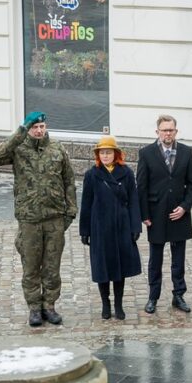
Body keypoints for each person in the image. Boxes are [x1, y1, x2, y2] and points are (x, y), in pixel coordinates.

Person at [0, 111, 77, 327]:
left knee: (52, 266)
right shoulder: (19, 148)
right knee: (30, 266)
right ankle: (34, 308)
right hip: (29, 219)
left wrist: (71, 211)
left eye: (42, 127)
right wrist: (20, 132)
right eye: (34, 127)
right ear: (28, 128)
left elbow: (69, 180)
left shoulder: (57, 149)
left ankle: (49, 306)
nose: (39, 130)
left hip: (54, 217)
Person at [137, 114, 192, 314]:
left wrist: (185, 207)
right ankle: (153, 296)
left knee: (178, 258)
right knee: (156, 258)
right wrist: (144, 214)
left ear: (176, 131)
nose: (168, 133)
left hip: (179, 213)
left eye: (171, 130)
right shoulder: (146, 153)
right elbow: (141, 186)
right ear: (157, 132)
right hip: (156, 213)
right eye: (164, 130)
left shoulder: (186, 152)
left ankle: (178, 295)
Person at [80, 136, 142, 320]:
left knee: (119, 267)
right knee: (102, 267)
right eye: (102, 152)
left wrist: (135, 225)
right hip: (100, 226)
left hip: (121, 225)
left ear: (115, 154)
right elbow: (86, 203)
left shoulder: (126, 173)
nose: (105, 156)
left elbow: (133, 201)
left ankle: (118, 304)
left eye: (108, 152)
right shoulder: (92, 175)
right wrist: (85, 230)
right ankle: (105, 303)